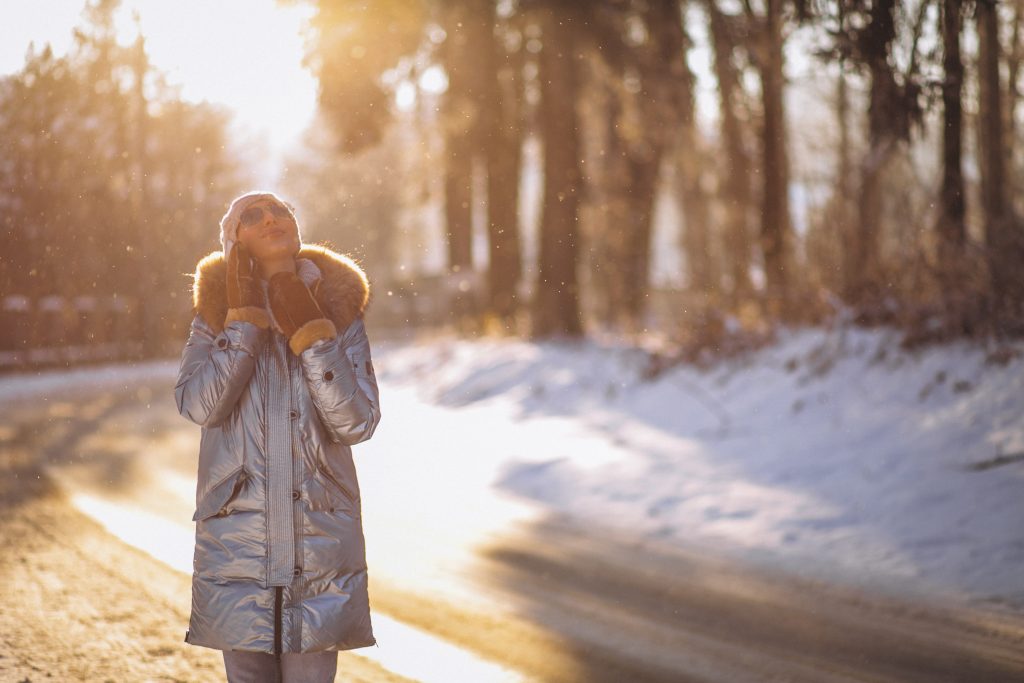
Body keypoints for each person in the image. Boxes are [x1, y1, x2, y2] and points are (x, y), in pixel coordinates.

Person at [174, 190, 382, 682]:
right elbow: (199, 404)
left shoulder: (338, 310)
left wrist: (313, 334)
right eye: (253, 216)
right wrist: (243, 323)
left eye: (280, 211)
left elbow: (357, 421)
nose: (271, 219)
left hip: (319, 539)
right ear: (235, 240)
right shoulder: (214, 316)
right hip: (237, 543)